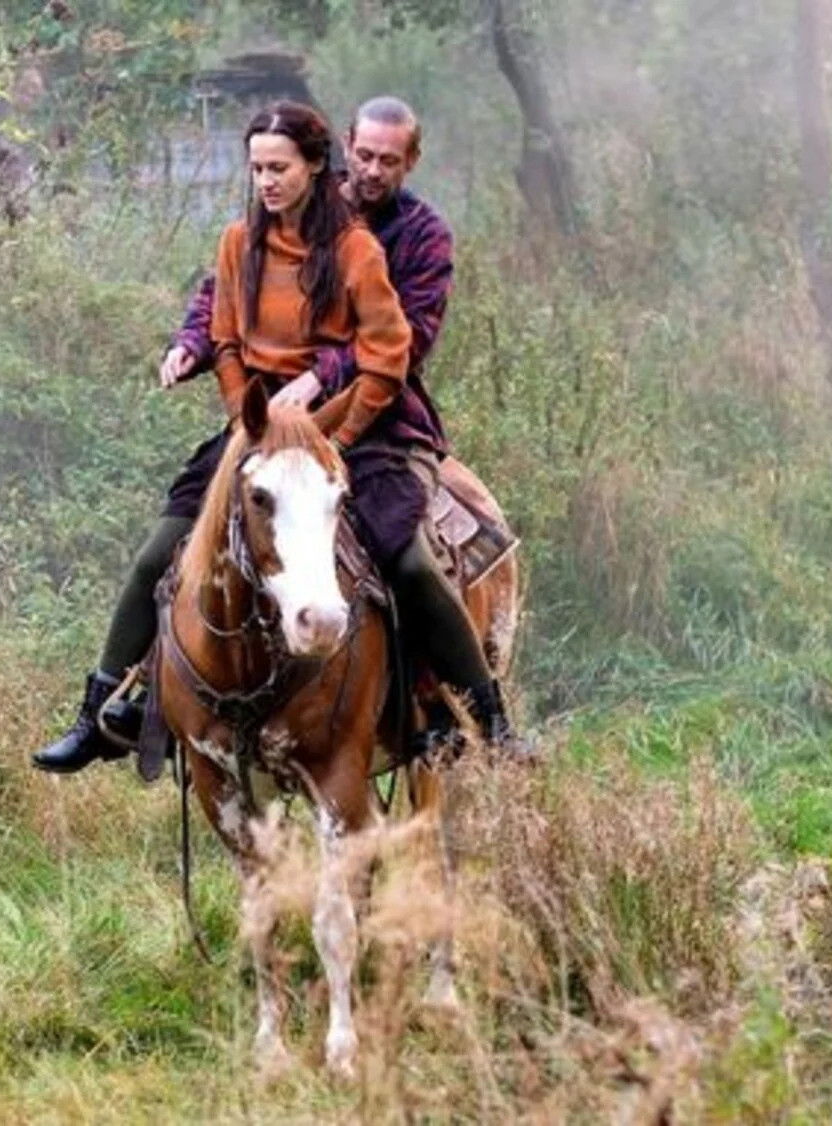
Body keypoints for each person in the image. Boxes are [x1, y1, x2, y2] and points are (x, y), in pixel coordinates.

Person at [32, 99, 527, 774]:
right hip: (266, 429)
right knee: (167, 548)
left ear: (410, 162)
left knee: (406, 560)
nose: (373, 169)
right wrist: (199, 355)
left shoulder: (404, 239)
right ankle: (114, 705)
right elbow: (222, 304)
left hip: (372, 422)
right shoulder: (261, 227)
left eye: (390, 159)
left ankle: (474, 714)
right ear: (342, 153)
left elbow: (400, 344)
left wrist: (323, 386)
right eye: (366, 155)